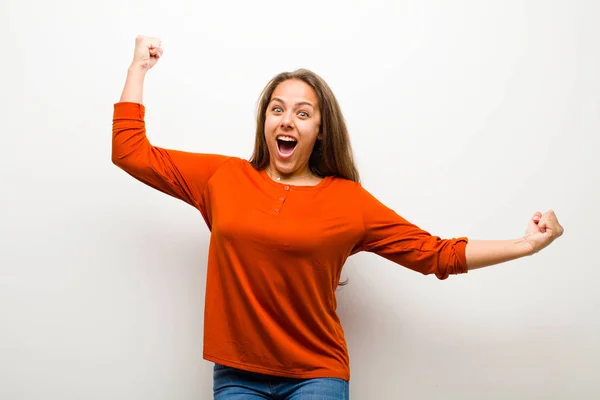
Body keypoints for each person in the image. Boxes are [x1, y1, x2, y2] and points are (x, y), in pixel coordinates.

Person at [112, 35, 564, 400]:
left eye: (302, 113)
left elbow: (435, 254)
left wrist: (525, 245)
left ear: (319, 129)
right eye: (277, 109)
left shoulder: (347, 201)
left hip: (317, 376)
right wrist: (138, 70)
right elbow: (130, 152)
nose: (287, 120)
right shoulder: (223, 179)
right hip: (236, 375)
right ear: (265, 123)